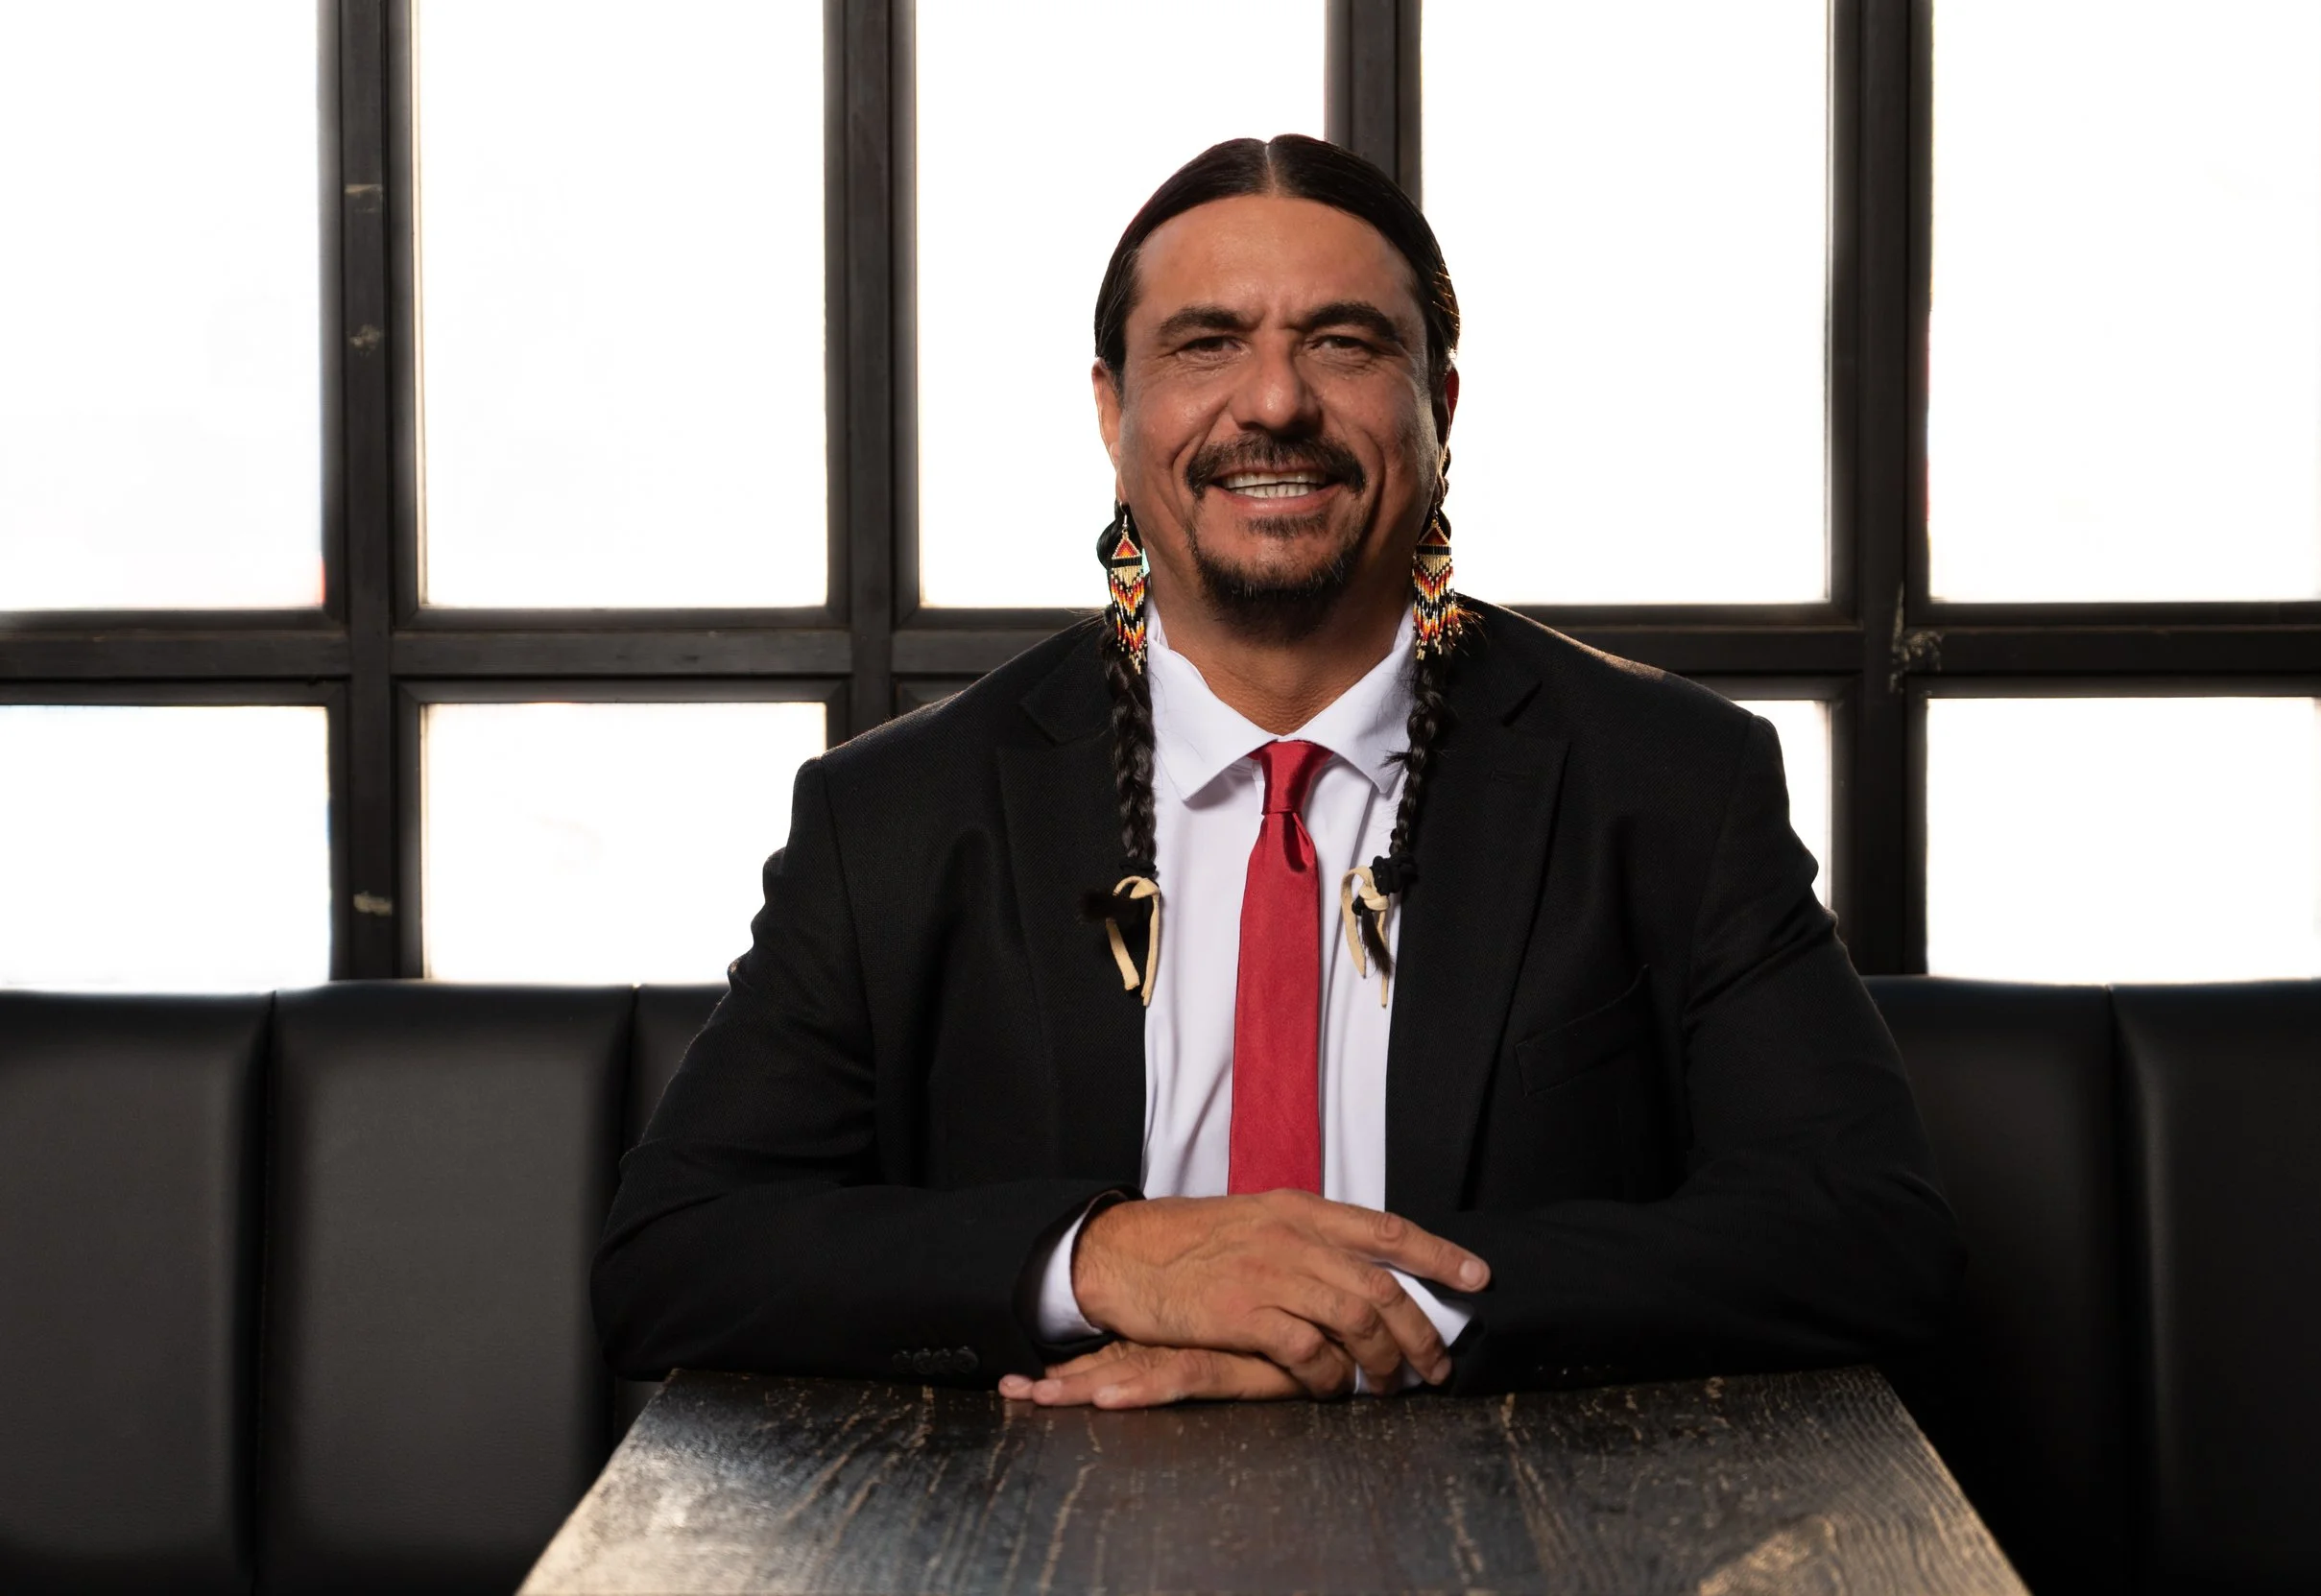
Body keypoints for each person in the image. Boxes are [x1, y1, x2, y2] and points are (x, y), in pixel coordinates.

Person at [592, 134, 1959, 1408]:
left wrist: (1364, 1315)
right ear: (1110, 411)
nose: (1275, 400)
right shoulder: (896, 814)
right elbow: (678, 1249)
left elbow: (1870, 1232)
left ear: (1441, 409)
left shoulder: (1671, 783)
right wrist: (1106, 1260)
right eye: (1208, 344)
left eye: (1345, 343)